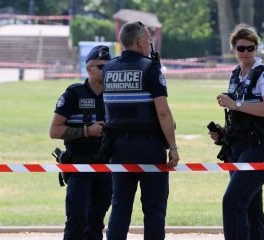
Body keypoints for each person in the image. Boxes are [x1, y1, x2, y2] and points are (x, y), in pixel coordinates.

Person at [102, 21, 179, 240]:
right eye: (148, 38)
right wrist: (172, 147)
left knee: (120, 206)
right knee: (154, 208)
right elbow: (163, 112)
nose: (150, 43)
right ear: (140, 41)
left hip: (117, 148)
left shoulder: (109, 68)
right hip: (149, 146)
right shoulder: (150, 68)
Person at [209, 23, 264, 240]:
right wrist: (224, 134)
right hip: (239, 148)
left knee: (232, 202)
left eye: (250, 48)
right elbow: (242, 117)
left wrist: (236, 105)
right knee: (250, 205)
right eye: (241, 48)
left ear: (256, 49)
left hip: (263, 146)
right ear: (233, 49)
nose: (246, 53)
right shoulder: (235, 75)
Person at [49, 45, 112, 240]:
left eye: (109, 66)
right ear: (89, 69)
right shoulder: (74, 94)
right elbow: (54, 131)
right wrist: (87, 131)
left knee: (96, 222)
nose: (106, 70)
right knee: (77, 219)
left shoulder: (116, 94)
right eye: (101, 66)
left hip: (107, 167)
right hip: (79, 166)